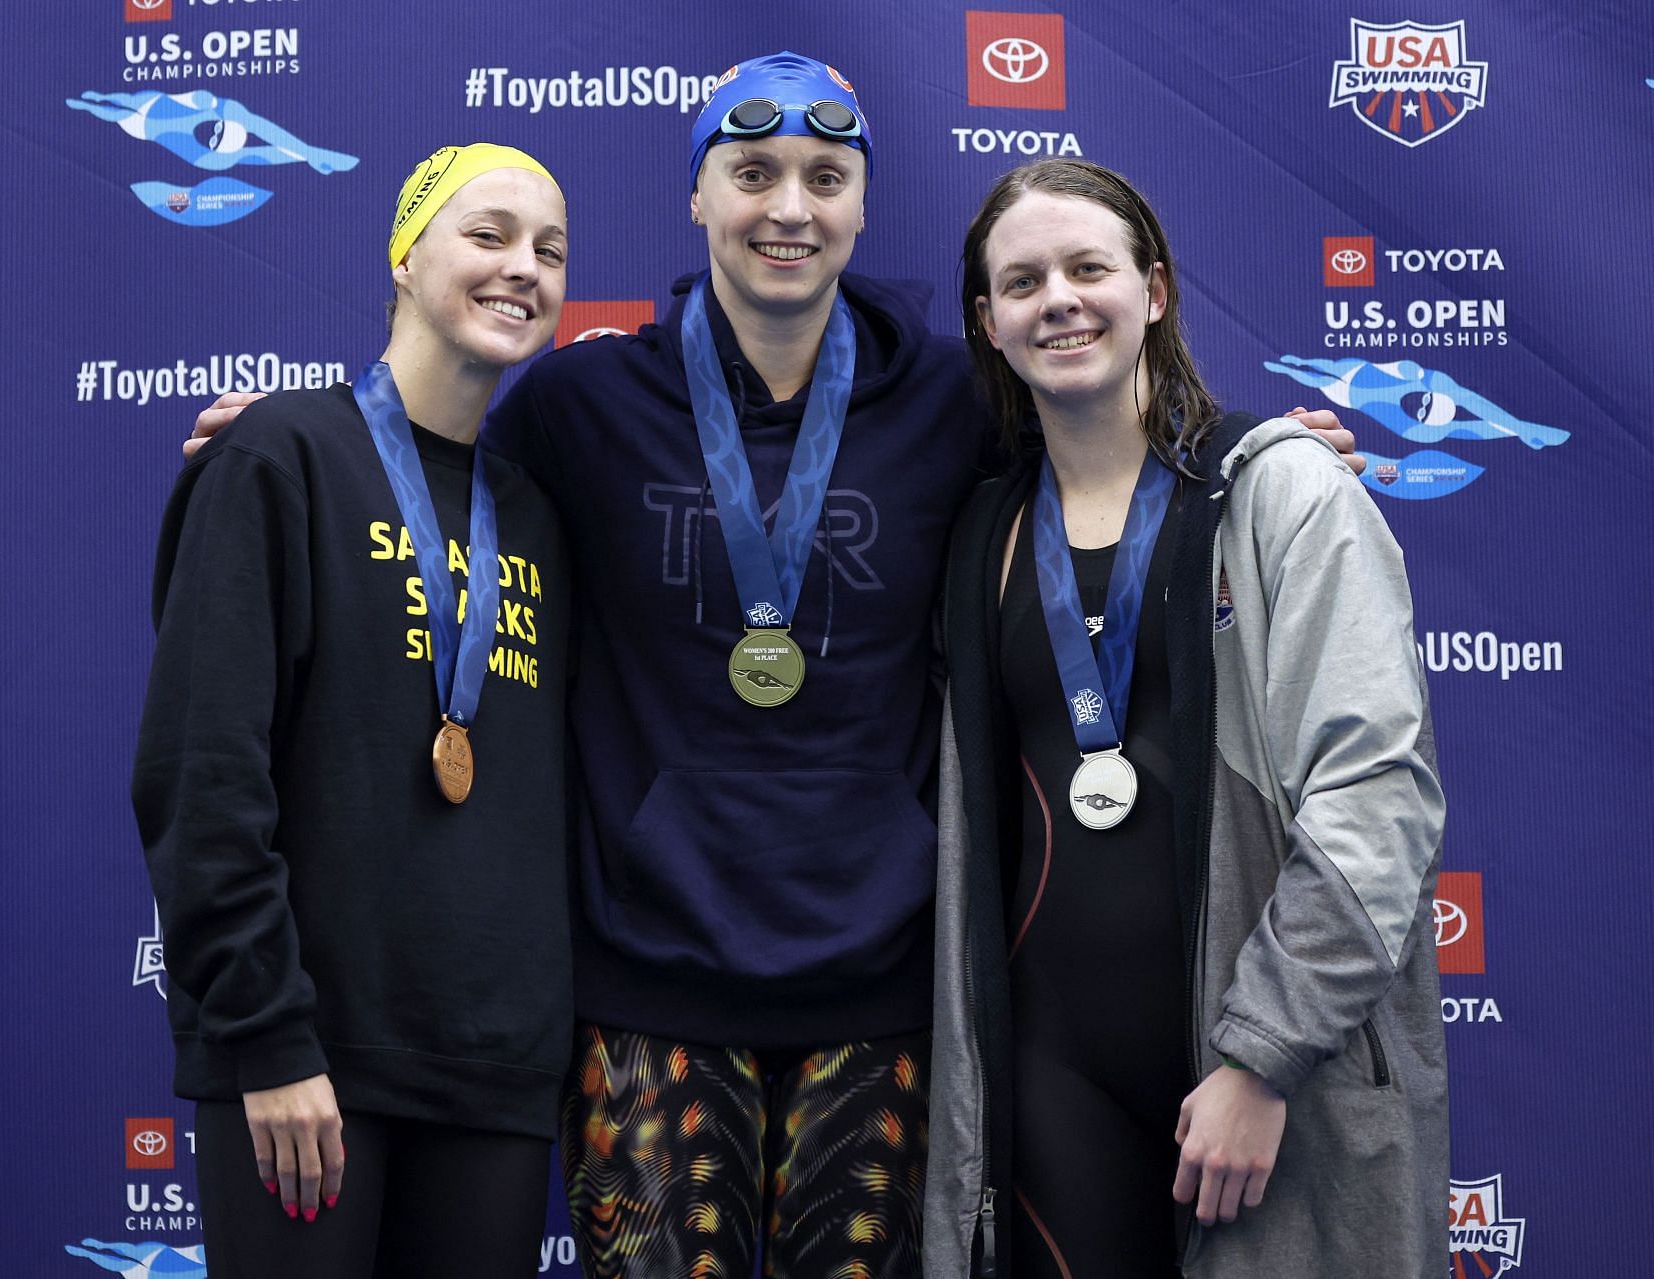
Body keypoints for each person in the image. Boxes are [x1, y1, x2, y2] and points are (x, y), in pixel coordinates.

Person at [186, 54, 1362, 1278]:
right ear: (698, 200)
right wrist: (305, 427)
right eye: (751, 174)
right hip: (647, 989)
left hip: (883, 991)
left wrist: (1241, 450)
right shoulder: (582, 401)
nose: (788, 208)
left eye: (823, 178)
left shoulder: (955, 398)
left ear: (862, 205)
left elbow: (1100, 422)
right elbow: (435, 452)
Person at [923, 159, 1448, 1278]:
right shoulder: (980, 534)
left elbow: (1377, 796)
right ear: (989, 322)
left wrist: (1262, 1060)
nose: (1058, 298)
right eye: (1023, 281)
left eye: (1087, 268)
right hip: (1052, 1079)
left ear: (1153, 291)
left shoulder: (1285, 494)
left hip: (1272, 1069)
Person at [132, 142, 573, 1278]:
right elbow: (202, 772)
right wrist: (264, 1039)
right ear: (405, 256)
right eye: (487, 235)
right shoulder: (283, 456)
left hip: (492, 1076)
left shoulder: (538, 515)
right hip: (308, 1062)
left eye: (550, 249)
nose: (522, 267)